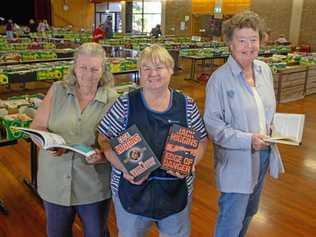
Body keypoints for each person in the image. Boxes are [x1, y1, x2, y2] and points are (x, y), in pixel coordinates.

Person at [91, 44, 208, 237]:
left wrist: (192, 161)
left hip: (176, 193)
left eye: (159, 67)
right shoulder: (124, 104)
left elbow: (202, 140)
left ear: (171, 70)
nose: (153, 73)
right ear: (139, 72)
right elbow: (104, 138)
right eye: (146, 68)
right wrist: (122, 165)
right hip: (130, 194)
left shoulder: (186, 104)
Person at [203, 10, 284, 237]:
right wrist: (248, 140)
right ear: (230, 43)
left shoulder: (264, 70)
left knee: (250, 211)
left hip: (263, 156)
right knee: (231, 220)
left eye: (253, 39)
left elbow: (266, 111)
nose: (249, 46)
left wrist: (277, 130)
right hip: (236, 161)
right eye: (242, 40)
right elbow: (214, 127)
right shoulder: (219, 80)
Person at [29, 42, 118, 237]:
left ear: (103, 70)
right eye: (83, 68)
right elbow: (37, 127)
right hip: (54, 182)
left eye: (94, 69)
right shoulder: (57, 90)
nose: (88, 74)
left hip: (94, 186)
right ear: (74, 67)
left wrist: (103, 156)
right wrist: (48, 144)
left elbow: (118, 144)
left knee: (97, 233)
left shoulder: (113, 99)